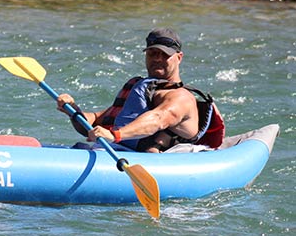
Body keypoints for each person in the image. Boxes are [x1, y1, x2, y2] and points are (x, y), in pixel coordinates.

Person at [57, 28, 224, 152]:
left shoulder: (181, 98)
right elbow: (95, 121)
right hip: (116, 152)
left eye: (165, 54)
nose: (157, 59)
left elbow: (158, 119)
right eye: (152, 53)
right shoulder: (143, 88)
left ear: (179, 58)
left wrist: (115, 135)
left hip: (149, 163)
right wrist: (73, 111)